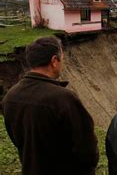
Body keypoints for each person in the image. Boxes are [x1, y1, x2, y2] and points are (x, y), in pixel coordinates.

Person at [2, 37, 98, 175]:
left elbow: (17, 139)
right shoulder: (63, 98)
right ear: (54, 61)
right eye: (62, 59)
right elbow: (87, 149)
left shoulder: (10, 97)